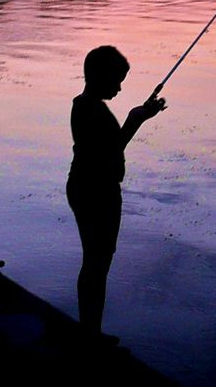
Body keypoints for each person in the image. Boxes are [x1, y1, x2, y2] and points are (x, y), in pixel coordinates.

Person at [67, 45, 166, 339]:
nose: (120, 88)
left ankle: (89, 330)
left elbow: (107, 147)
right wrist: (137, 119)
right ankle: (90, 334)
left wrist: (137, 116)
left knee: (94, 261)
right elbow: (112, 149)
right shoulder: (92, 110)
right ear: (100, 76)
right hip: (97, 192)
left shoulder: (84, 105)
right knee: (98, 263)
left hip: (85, 187)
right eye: (117, 80)